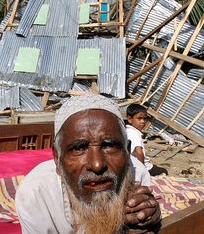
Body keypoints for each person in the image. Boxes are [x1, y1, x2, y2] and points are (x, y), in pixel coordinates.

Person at [15, 95, 162, 233]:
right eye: (79, 148)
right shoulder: (36, 194)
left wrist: (150, 219)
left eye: (109, 145)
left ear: (127, 151)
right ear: (57, 159)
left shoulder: (137, 173)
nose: (97, 165)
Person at [126, 103, 168, 176]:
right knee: (164, 171)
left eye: (145, 118)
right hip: (145, 167)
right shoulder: (134, 134)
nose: (143, 121)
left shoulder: (127, 130)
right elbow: (139, 152)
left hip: (131, 165)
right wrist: (142, 171)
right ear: (130, 119)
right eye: (139, 118)